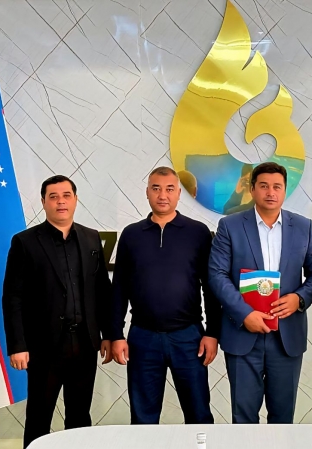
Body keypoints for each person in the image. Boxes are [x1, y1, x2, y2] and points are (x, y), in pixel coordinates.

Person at [209, 161, 312, 423]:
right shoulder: (230, 226)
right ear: (252, 189)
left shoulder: (303, 227)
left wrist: (299, 298)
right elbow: (216, 275)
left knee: (283, 418)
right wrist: (244, 314)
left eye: (277, 187)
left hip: (286, 335)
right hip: (243, 334)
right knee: (243, 417)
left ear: (285, 190)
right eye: (264, 186)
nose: (270, 192)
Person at [2, 175, 112, 448]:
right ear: (43, 202)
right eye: (53, 196)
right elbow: (12, 297)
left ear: (75, 199)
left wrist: (110, 334)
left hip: (85, 344)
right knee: (39, 418)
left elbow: (102, 291)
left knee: (79, 417)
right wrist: (17, 345)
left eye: (66, 195)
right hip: (44, 348)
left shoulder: (91, 238)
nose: (60, 201)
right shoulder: (25, 242)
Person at [111, 166, 221, 425]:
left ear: (179, 193)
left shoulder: (198, 232)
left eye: (170, 189)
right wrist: (115, 334)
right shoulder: (131, 235)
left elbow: (211, 287)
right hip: (143, 338)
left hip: (189, 337)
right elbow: (119, 288)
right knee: (143, 419)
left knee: (198, 415)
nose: (163, 195)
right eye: (156, 188)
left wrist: (213, 333)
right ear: (147, 192)